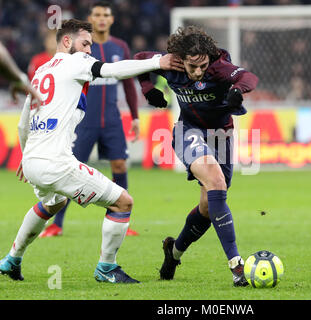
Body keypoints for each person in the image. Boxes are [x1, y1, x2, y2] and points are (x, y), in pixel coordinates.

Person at [0, 19, 183, 283]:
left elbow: (23, 121)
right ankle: (107, 268)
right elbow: (113, 70)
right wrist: (157, 62)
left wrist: (26, 154)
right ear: (66, 41)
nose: (89, 50)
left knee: (54, 202)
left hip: (32, 160)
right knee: (123, 202)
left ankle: (11, 259)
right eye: (85, 43)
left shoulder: (40, 72)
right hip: (55, 163)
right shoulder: (75, 63)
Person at [135, 26, 259, 286]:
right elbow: (139, 60)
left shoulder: (219, 66)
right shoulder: (171, 64)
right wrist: (148, 89)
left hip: (221, 134)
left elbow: (248, 77)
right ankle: (236, 265)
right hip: (188, 130)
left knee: (208, 205)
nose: (199, 72)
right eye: (193, 67)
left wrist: (237, 91)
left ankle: (174, 252)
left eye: (203, 65)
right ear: (180, 59)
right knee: (216, 182)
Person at [40, 1, 139, 237]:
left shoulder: (120, 46)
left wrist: (135, 116)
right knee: (69, 171)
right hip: (84, 121)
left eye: (106, 14)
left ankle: (122, 219)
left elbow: (127, 84)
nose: (102, 18)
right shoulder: (82, 51)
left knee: (120, 165)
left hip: (112, 120)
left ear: (112, 19)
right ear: (91, 19)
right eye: (97, 15)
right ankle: (57, 223)